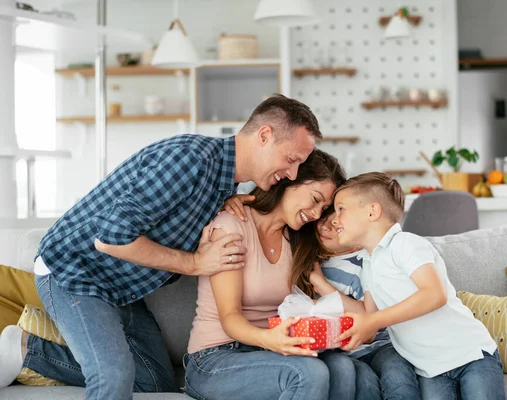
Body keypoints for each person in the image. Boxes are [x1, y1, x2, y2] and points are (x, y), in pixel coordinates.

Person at [0, 94, 322, 399]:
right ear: (264, 135)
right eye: (291, 159)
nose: (292, 173)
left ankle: (28, 351)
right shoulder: (189, 160)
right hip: (74, 269)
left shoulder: (223, 182)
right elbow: (112, 237)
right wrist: (196, 263)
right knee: (113, 376)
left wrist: (229, 201)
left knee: (155, 380)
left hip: (117, 285)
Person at [185, 149, 367, 400]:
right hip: (215, 357)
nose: (316, 214)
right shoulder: (231, 226)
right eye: (315, 199)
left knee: (343, 368)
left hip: (270, 350)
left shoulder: (299, 239)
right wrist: (270, 340)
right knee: (308, 373)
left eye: (323, 208)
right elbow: (229, 317)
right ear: (288, 181)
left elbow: (353, 241)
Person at [333, 172, 506, 400]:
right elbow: (369, 319)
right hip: (430, 370)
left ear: (372, 212)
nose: (334, 219)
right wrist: (321, 294)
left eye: (341, 209)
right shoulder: (368, 262)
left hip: (470, 354)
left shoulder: (406, 243)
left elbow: (434, 295)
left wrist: (371, 321)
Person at [310, 211, 419, 400]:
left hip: (380, 345)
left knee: (398, 378)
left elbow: (370, 325)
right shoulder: (314, 263)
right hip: (342, 351)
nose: (326, 227)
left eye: (336, 225)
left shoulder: (368, 261)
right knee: (364, 384)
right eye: (323, 219)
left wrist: (323, 286)